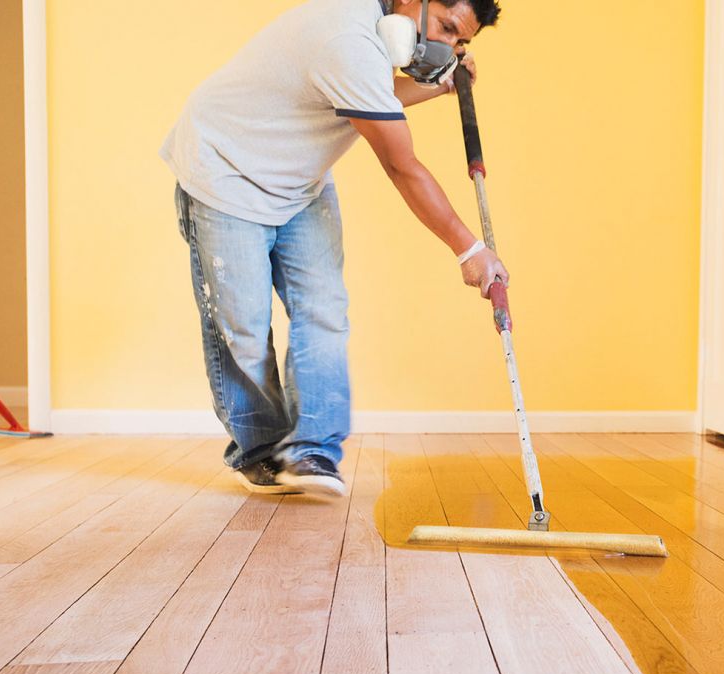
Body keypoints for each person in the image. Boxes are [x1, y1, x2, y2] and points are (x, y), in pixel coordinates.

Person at [162, 0, 505, 497]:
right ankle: (260, 451)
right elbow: (401, 164)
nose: (446, 47)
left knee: (324, 309)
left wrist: (440, 82)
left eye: (459, 44)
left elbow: (366, 92)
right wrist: (469, 249)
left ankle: (313, 452)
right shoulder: (346, 37)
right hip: (227, 171)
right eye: (447, 28)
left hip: (298, 177)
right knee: (243, 326)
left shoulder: (370, 39)